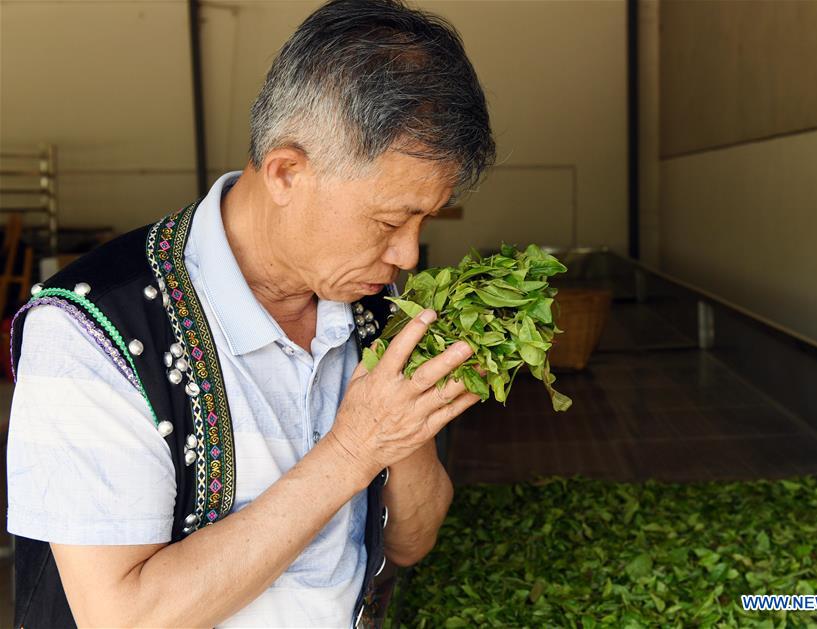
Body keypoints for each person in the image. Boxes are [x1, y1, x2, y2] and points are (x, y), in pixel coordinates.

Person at [5, 0, 496, 626]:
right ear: (287, 172)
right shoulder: (89, 329)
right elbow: (125, 616)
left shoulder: (376, 310)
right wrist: (355, 448)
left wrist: (403, 431)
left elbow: (411, 543)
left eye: (425, 221)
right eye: (389, 221)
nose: (408, 254)